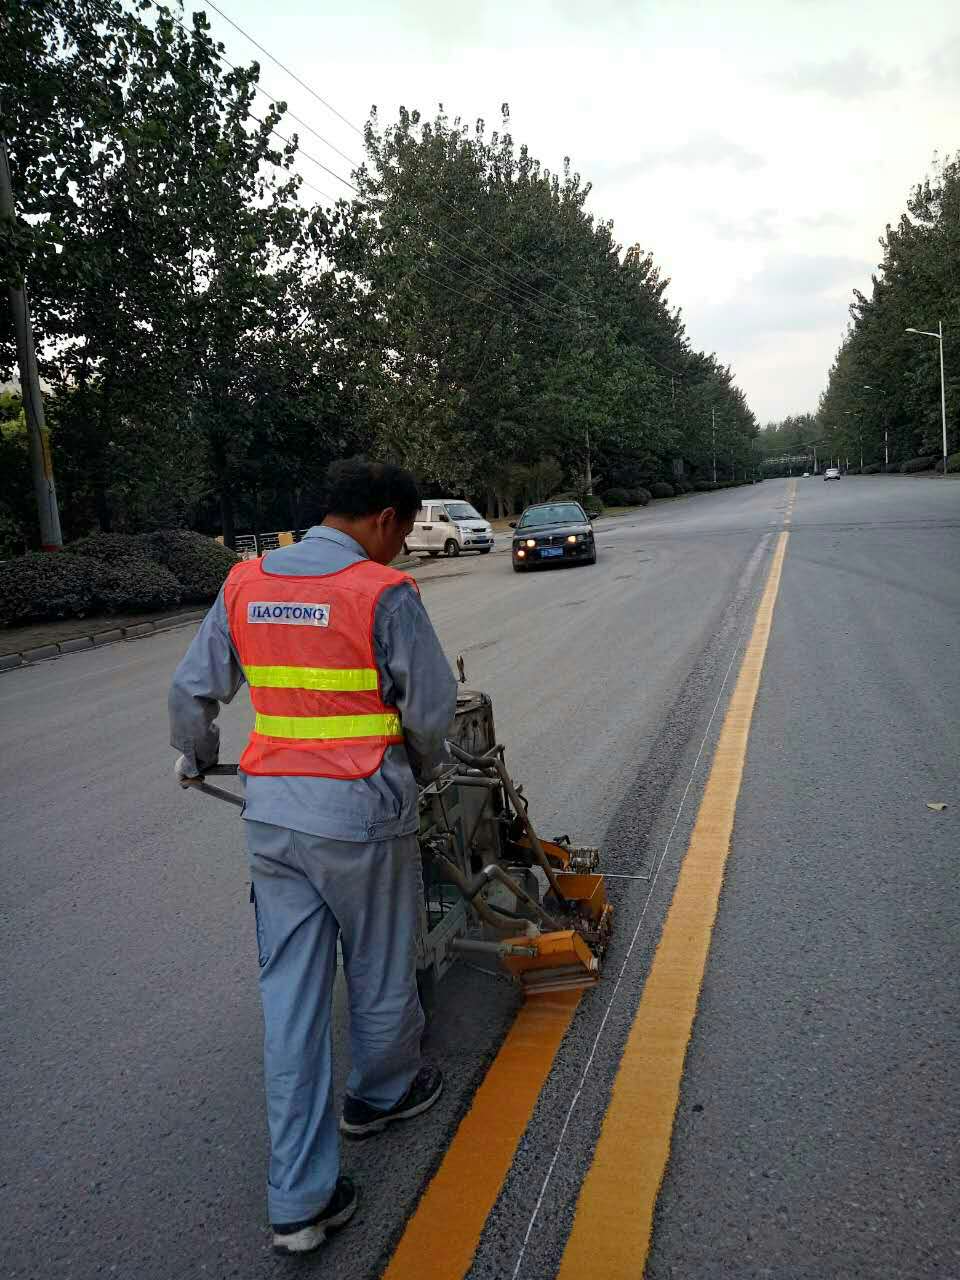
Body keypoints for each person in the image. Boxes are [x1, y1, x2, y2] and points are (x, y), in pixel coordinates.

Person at [168, 460, 458, 1255]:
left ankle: (300, 1202)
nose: (397, 549)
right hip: (363, 817)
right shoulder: (382, 593)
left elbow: (191, 694)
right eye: (401, 534)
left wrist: (196, 756)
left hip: (272, 822)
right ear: (389, 520)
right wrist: (420, 772)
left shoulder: (243, 583)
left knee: (290, 1000)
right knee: (379, 965)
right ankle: (381, 1094)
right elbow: (430, 712)